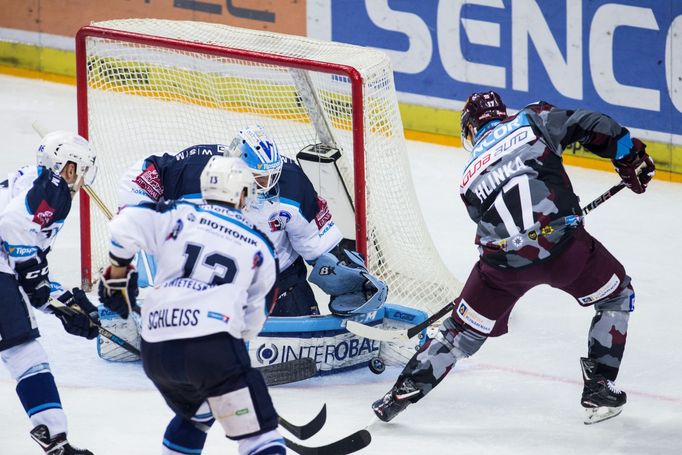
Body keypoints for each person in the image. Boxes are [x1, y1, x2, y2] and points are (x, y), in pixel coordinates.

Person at [371, 91, 655, 425]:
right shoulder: (531, 118)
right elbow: (594, 124)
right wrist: (626, 155)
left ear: (471, 128)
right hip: (564, 249)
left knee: (457, 334)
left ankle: (399, 395)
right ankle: (599, 385)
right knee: (616, 295)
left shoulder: (468, 176)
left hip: (501, 266)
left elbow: (487, 219)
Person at [98, 156, 285, 455]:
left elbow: (122, 226)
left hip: (156, 349)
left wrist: (118, 272)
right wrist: (230, 354)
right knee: (260, 438)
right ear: (241, 194)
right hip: (213, 347)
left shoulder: (178, 213)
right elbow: (255, 317)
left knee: (197, 415)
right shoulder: (259, 244)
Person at [115, 126, 385, 319]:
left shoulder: (291, 185)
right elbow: (140, 178)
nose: (267, 187)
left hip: (278, 278)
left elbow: (317, 242)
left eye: (271, 177)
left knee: (304, 331)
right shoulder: (195, 171)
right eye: (259, 178)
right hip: (207, 275)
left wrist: (347, 274)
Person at [0, 131, 99, 454]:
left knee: (23, 351)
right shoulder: (54, 190)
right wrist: (41, 288)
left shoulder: (37, 183)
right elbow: (11, 231)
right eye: (80, 169)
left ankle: (55, 439)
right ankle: (56, 442)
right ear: (67, 168)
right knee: (25, 354)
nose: (82, 178)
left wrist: (62, 301)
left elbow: (27, 259)